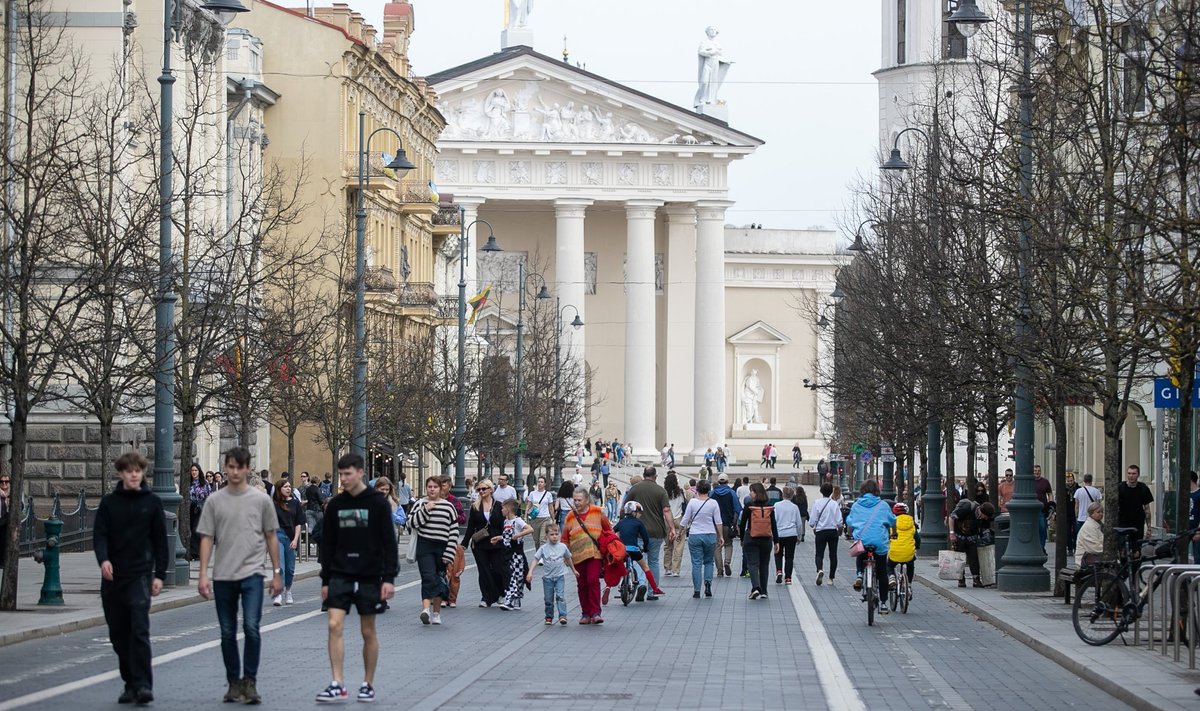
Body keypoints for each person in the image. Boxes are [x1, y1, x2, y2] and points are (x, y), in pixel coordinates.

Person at [196, 447, 282, 705]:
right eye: (230, 467)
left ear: (247, 469)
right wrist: (202, 574)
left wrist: (277, 573)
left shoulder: (261, 500)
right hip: (223, 575)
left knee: (251, 627)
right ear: (226, 467)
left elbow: (271, 536)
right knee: (227, 631)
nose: (234, 472)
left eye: (239, 467)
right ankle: (234, 682)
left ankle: (250, 682)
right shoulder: (214, 501)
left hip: (253, 573)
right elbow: (207, 538)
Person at [315, 453, 398, 703]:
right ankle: (337, 682)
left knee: (367, 631)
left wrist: (388, 578)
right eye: (341, 474)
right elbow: (328, 544)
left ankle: (367, 683)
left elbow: (388, 543)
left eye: (348, 474)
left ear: (361, 473)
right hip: (341, 572)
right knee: (333, 625)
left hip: (369, 575)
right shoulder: (336, 505)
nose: (344, 479)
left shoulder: (377, 503)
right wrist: (326, 580)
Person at [94, 451, 168, 706]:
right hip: (114, 578)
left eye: (138, 470)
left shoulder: (152, 502)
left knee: (139, 630)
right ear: (121, 473)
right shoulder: (109, 503)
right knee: (119, 635)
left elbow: (160, 541)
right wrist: (103, 560)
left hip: (140, 575)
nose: (134, 475)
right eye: (129, 471)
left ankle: (144, 685)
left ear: (142, 473)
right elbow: (100, 535)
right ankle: (130, 683)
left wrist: (159, 575)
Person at [561, 489, 614, 624]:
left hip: (594, 553)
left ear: (586, 500)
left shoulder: (597, 511)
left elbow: (608, 529)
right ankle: (585, 613)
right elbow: (565, 537)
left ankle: (596, 612)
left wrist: (611, 545)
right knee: (582, 584)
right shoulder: (570, 516)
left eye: (579, 500)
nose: (577, 503)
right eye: (575, 500)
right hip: (577, 555)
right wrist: (564, 554)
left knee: (592, 580)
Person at [624, 466, 677, 593]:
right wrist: (672, 528)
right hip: (656, 531)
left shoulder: (635, 489)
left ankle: (641, 582)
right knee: (653, 561)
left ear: (643, 475)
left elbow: (625, 507)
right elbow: (666, 510)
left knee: (638, 558)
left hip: (637, 532)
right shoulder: (661, 491)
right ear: (655, 476)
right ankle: (652, 591)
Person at [845, 480, 896, 612]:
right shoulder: (883, 505)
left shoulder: (856, 505)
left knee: (860, 554)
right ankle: (884, 603)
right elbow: (892, 521)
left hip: (862, 540)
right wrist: (893, 532)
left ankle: (860, 575)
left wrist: (852, 532)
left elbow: (849, 521)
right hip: (879, 542)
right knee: (882, 572)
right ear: (877, 491)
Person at [461, 479, 506, 608]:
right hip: (480, 544)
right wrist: (464, 543)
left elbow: (504, 524)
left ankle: (500, 593)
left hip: (496, 543)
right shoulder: (475, 506)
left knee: (498, 570)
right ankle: (486, 597)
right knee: (484, 570)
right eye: (479, 489)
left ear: (491, 490)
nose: (481, 491)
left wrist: (504, 538)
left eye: (484, 489)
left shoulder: (499, 505)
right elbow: (471, 527)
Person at [680, 479, 724, 598]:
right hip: (710, 534)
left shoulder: (693, 502)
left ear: (697, 489)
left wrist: (680, 531)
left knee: (696, 563)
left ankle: (697, 590)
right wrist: (720, 536)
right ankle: (708, 584)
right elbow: (718, 521)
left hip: (695, 534)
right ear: (709, 490)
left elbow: (685, 519)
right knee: (709, 561)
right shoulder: (713, 503)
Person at [526, 523, 577, 625]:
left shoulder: (562, 547)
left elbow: (568, 558)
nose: (554, 536)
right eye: (552, 534)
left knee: (560, 596)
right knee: (548, 599)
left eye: (556, 534)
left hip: (559, 577)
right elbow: (535, 559)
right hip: (548, 578)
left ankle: (563, 615)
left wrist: (574, 570)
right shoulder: (544, 548)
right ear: (547, 536)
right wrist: (530, 572)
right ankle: (549, 616)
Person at [610, 501, 658, 602]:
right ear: (634, 512)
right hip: (634, 550)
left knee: (616, 567)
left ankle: (608, 587)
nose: (640, 515)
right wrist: (645, 548)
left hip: (622, 550)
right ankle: (655, 588)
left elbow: (612, 532)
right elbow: (645, 538)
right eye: (639, 512)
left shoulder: (621, 522)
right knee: (645, 568)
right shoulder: (638, 523)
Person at [738, 482, 778, 599]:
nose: (750, 493)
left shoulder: (749, 505)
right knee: (764, 564)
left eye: (751, 491)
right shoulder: (769, 506)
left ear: (756, 493)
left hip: (751, 538)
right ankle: (764, 591)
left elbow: (742, 524)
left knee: (752, 563)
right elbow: (773, 525)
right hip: (766, 539)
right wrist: (776, 541)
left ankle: (756, 587)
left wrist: (742, 538)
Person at [492, 498, 532, 610]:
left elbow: (530, 529)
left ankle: (513, 598)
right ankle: (512, 598)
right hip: (507, 554)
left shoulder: (518, 521)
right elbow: (506, 536)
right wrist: (499, 538)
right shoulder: (506, 522)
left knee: (517, 577)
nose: (501, 510)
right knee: (510, 576)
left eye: (503, 508)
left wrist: (518, 535)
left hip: (516, 554)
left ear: (508, 509)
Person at [949, 498, 995, 588]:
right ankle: (961, 579)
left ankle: (976, 580)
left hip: (972, 537)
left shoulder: (985, 517)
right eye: (985, 516)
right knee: (959, 558)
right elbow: (951, 517)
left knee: (974, 558)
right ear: (981, 512)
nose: (985, 519)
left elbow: (985, 529)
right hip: (959, 536)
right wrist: (952, 533)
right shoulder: (967, 508)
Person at [271, 478, 303, 606]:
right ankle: (278, 594)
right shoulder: (273, 504)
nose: (288, 489)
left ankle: (288, 591)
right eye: (285, 487)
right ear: (279, 489)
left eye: (289, 486)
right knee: (280, 567)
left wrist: (295, 539)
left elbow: (298, 523)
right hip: (277, 535)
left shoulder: (295, 504)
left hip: (291, 537)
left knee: (290, 569)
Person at [437, 476, 467, 608]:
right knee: (438, 570)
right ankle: (440, 596)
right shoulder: (433, 500)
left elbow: (462, 518)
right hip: (436, 539)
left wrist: (452, 515)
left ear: (449, 487)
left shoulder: (454, 501)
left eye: (443, 485)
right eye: (440, 485)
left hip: (450, 539)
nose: (441, 488)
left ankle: (452, 598)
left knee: (453, 570)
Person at [810, 482, 841, 585]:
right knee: (833, 555)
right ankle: (831, 578)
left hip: (821, 531)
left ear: (821, 491)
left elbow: (812, 521)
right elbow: (839, 521)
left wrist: (813, 525)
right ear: (831, 491)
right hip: (832, 531)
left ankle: (819, 569)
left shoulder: (817, 503)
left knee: (819, 553)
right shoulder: (834, 504)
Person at [711, 473, 741, 577]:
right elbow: (738, 509)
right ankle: (727, 562)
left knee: (717, 546)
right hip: (728, 523)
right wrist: (735, 522)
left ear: (718, 481)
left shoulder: (712, 493)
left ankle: (719, 569)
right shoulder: (731, 493)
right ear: (727, 481)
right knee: (728, 544)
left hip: (715, 524)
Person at [887, 503, 919, 598]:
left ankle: (892, 577)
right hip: (909, 551)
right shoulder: (912, 523)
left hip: (895, 551)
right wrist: (917, 546)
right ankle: (908, 584)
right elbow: (917, 538)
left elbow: (887, 536)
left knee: (889, 565)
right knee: (910, 565)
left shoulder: (892, 523)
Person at [662, 472, 690, 577]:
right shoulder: (680, 492)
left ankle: (667, 567)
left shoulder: (664, 493)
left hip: (666, 520)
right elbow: (684, 505)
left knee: (667, 545)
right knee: (678, 545)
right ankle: (675, 569)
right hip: (678, 519)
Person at [772, 487, 801, 585]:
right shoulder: (794, 507)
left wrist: (772, 534)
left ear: (782, 495)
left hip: (779, 533)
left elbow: (773, 521)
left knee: (778, 553)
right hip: (791, 533)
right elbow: (799, 523)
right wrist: (799, 535)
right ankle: (788, 577)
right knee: (789, 556)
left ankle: (779, 571)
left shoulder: (777, 505)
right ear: (792, 496)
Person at [1117, 464, 1153, 538]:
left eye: (1134, 473)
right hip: (1122, 523)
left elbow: (1147, 509)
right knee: (1122, 547)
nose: (1131, 476)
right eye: (1129, 473)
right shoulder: (1120, 487)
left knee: (1137, 547)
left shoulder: (1143, 488)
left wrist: (1149, 528)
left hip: (1138, 523)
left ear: (1138, 475)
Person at [524, 476, 556, 551]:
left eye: (541, 482)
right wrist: (525, 517)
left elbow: (551, 507)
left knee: (542, 539)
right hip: (534, 519)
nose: (540, 483)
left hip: (545, 518)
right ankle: (538, 555)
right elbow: (528, 506)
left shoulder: (548, 494)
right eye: (539, 482)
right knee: (536, 540)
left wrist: (553, 519)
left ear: (545, 484)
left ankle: (542, 557)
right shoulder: (532, 494)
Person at [1072, 474, 1101, 557]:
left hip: (1081, 517)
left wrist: (1076, 515)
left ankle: (1079, 551)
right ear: (1091, 480)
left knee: (1080, 535)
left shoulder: (1078, 491)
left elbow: (1076, 505)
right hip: (1092, 518)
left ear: (1084, 481)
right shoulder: (1096, 491)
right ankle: (1089, 551)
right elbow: (1098, 505)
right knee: (1092, 536)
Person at [187, 462, 211, 560]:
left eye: (196, 470)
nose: (194, 472)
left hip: (201, 508)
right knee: (192, 529)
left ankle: (195, 553)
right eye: (192, 470)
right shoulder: (188, 482)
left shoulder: (204, 483)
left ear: (199, 471)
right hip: (190, 508)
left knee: (196, 529)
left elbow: (209, 495)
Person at [1076, 501, 1105, 567]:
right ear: (1091, 513)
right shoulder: (1089, 526)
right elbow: (1094, 548)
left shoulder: (1097, 525)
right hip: (1085, 560)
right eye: (1098, 512)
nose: (1101, 514)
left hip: (1091, 558)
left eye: (1102, 512)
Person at [1032, 464, 1053, 550]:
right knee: (1033, 529)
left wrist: (1051, 504)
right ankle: (1034, 547)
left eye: (1038, 471)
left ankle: (1041, 547)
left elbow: (1050, 493)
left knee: (1042, 528)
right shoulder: (1030, 481)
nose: (1037, 472)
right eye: (1035, 471)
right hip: (1031, 509)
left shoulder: (1045, 482)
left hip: (1042, 509)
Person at [1190, 472, 1200, 564]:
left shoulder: (1198, 494)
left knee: (1197, 555)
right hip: (1185, 528)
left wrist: (1198, 531)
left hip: (1196, 528)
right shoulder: (1185, 494)